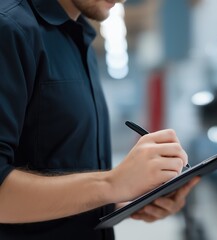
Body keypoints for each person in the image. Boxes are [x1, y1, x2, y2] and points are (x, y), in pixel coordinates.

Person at [0, 0, 200, 239]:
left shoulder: (80, 36)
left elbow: (64, 168)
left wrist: (124, 199)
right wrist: (111, 184)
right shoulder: (9, 28)